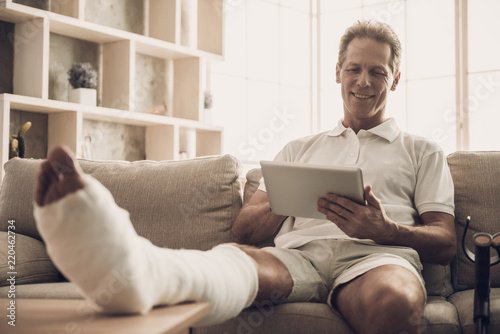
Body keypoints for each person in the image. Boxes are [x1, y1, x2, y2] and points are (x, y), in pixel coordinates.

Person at [33, 20, 456, 334]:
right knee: (235, 261)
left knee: (396, 304)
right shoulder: (298, 150)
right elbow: (245, 230)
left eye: (377, 72)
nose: (363, 81)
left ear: (395, 79)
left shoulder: (423, 150)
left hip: (376, 259)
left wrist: (385, 230)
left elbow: (446, 242)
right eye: (353, 69)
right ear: (337, 73)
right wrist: (287, 197)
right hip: (299, 259)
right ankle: (138, 275)